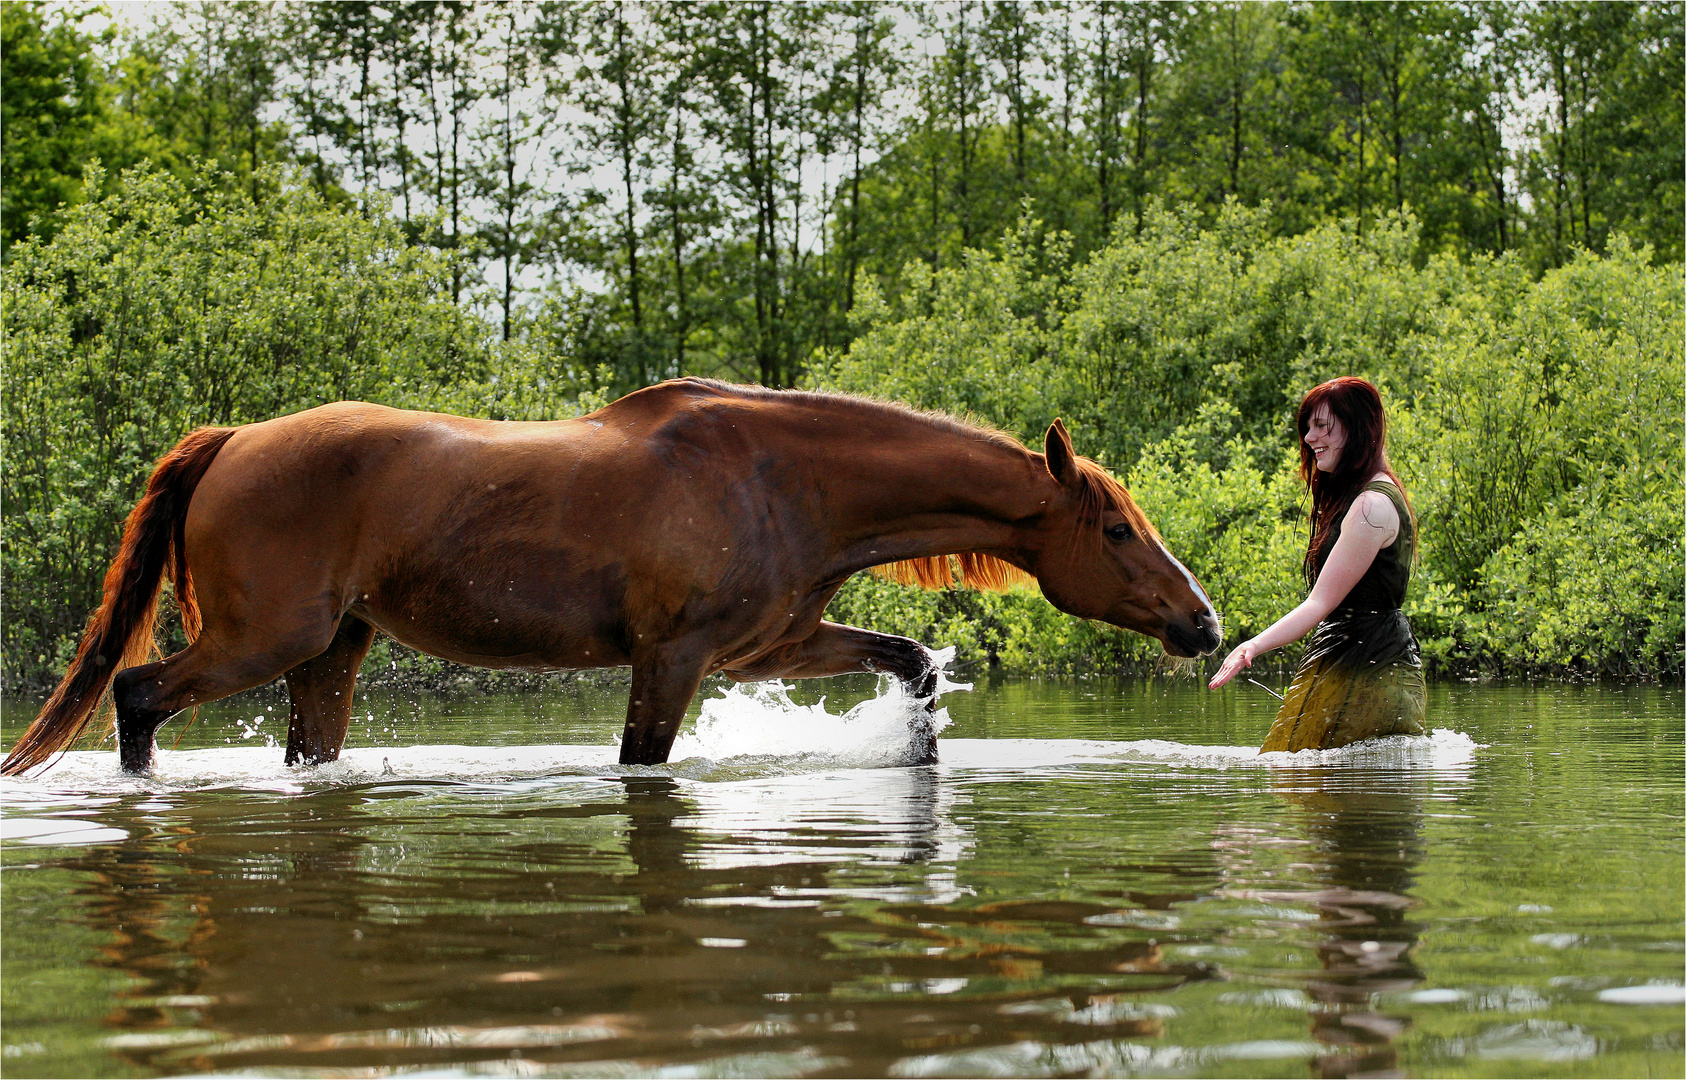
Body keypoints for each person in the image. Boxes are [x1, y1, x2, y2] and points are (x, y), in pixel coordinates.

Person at [1209, 377, 1426, 751]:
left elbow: (1319, 603)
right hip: (1364, 657)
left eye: (1322, 426)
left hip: (1365, 662)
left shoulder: (1371, 505)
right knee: (1313, 777)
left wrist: (1252, 647)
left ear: (1358, 429)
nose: (1309, 438)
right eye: (1308, 427)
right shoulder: (1364, 495)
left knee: (1298, 771)